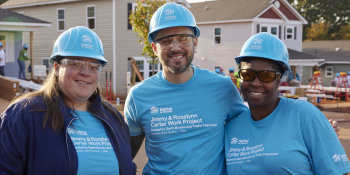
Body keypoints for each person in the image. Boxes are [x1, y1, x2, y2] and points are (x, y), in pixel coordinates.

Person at [124, 3, 247, 174]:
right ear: (154, 47)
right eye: (165, 40)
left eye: (183, 38)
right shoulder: (138, 97)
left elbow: (249, 135)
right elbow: (124, 155)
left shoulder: (223, 88)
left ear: (195, 42)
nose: (175, 47)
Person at [0, 26, 136, 174]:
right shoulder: (23, 116)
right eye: (75, 63)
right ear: (57, 68)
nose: (85, 72)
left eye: (93, 66)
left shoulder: (113, 118)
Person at [225, 33, 350, 175]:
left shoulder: (305, 116)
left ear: (278, 79)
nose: (256, 83)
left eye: (266, 75)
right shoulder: (231, 127)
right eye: (247, 74)